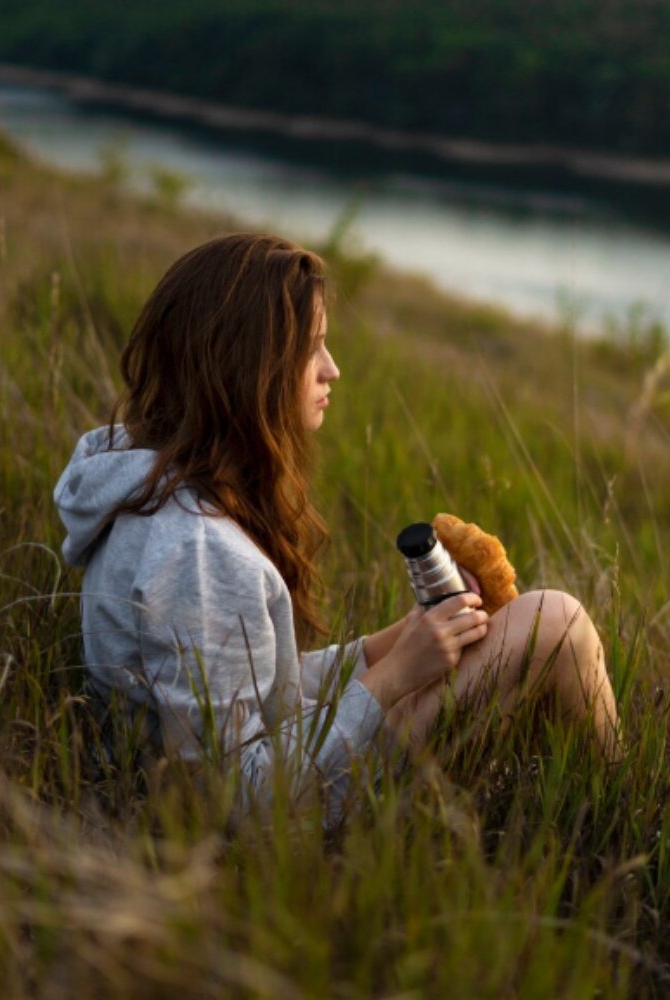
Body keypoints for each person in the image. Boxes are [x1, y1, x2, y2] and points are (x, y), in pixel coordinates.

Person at [55, 233, 619, 823]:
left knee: (536, 623)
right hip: (276, 826)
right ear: (251, 366)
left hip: (276, 774)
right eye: (313, 349)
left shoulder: (157, 492)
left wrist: (396, 643)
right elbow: (227, 798)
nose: (333, 370)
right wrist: (397, 677)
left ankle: (583, 808)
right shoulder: (196, 552)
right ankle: (620, 824)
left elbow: (258, 702)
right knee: (557, 625)